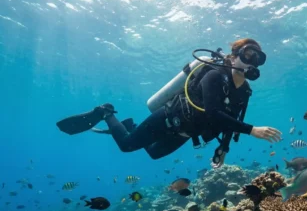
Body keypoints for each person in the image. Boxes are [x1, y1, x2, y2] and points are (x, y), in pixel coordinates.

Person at [56, 38, 282, 167]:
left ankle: (130, 125)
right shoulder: (214, 74)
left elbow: (232, 121)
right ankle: (106, 112)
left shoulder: (245, 91)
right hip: (169, 118)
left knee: (153, 153)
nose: (252, 62)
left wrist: (223, 148)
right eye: (248, 54)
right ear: (234, 56)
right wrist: (252, 130)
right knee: (127, 146)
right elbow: (213, 113)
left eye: (258, 59)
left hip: (185, 133)